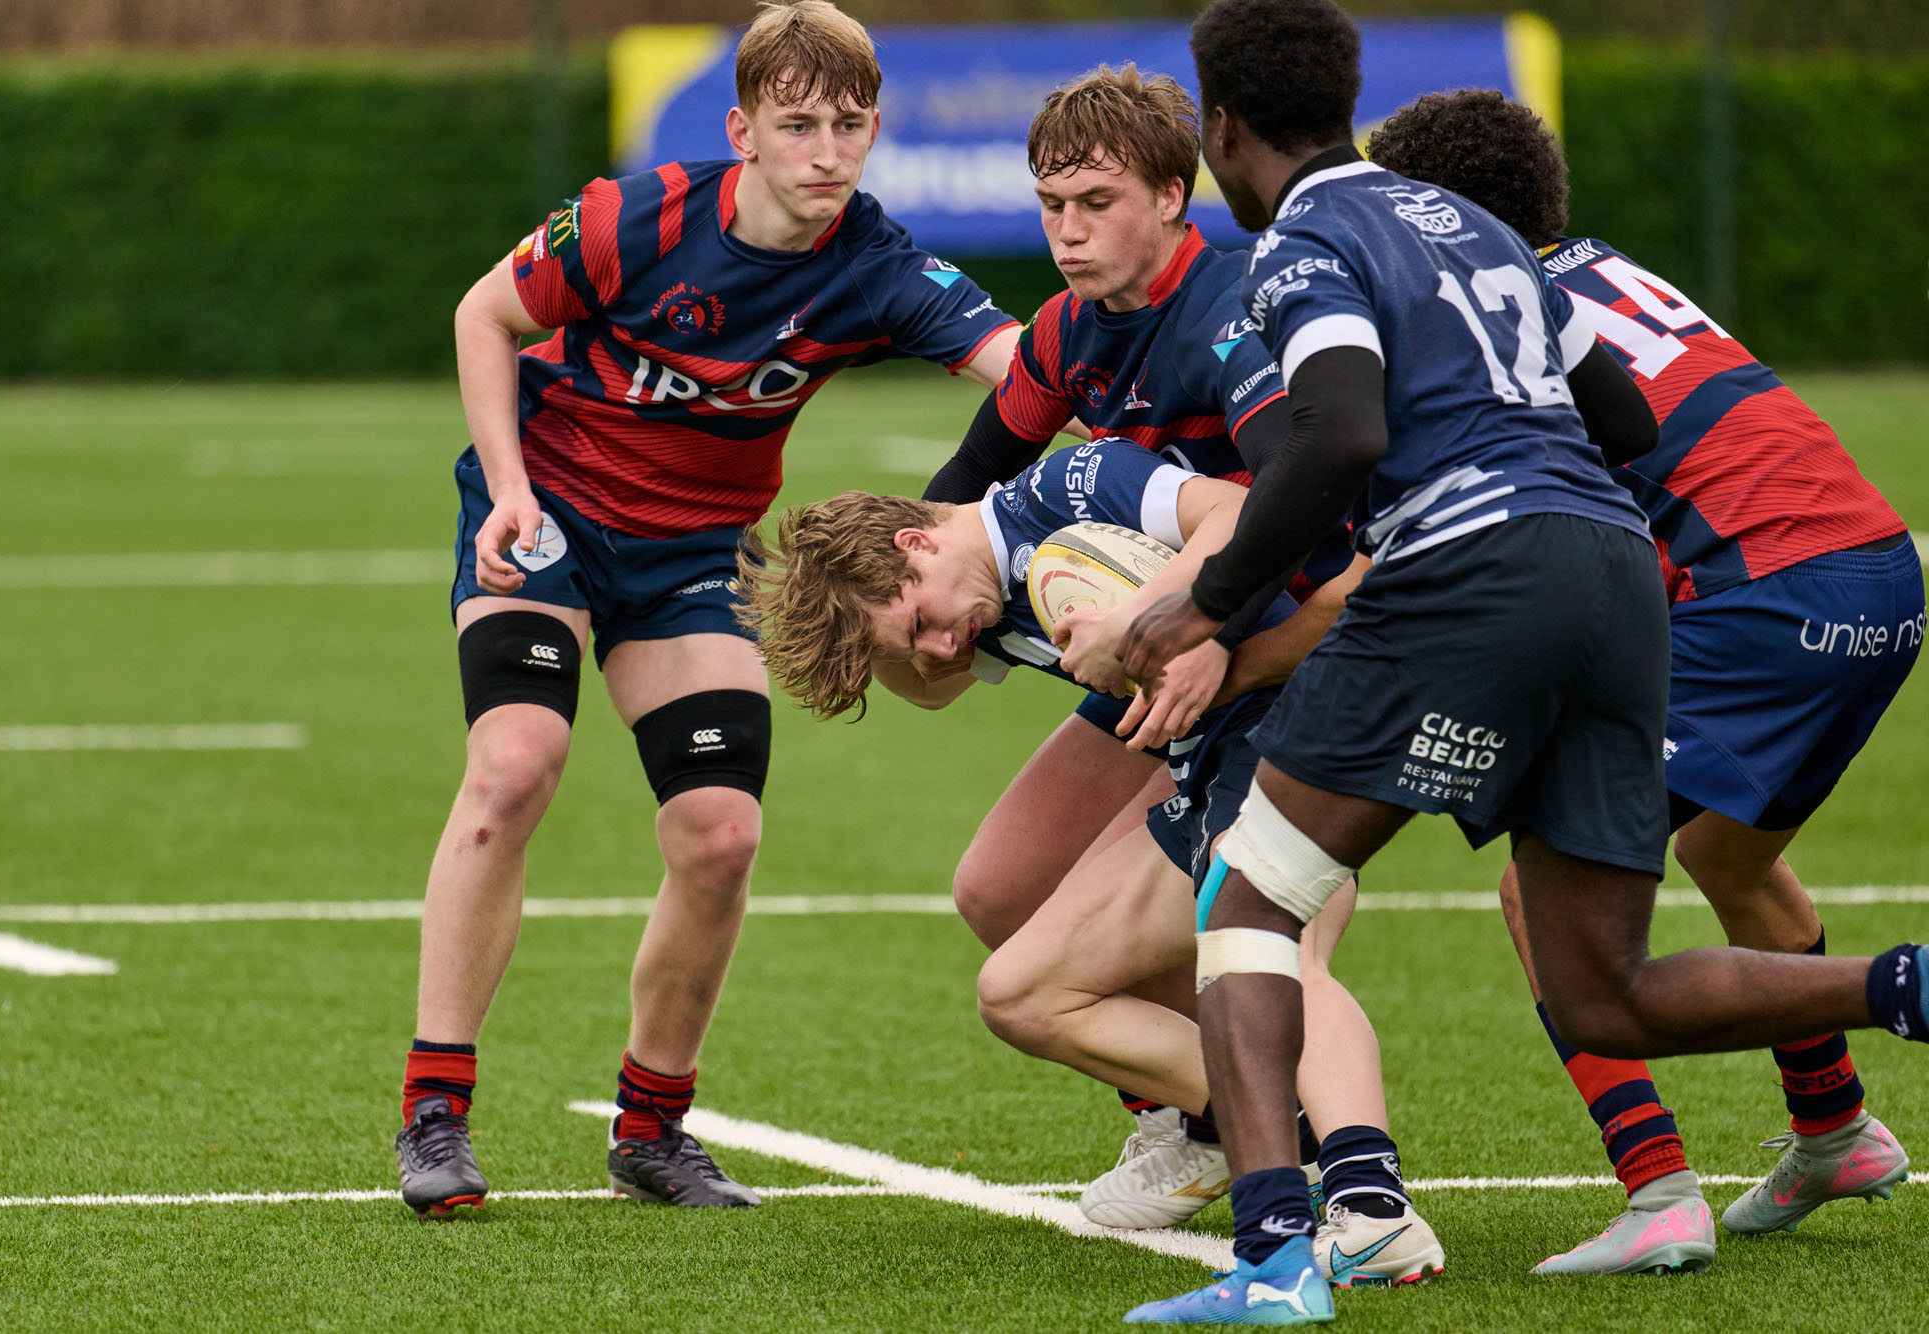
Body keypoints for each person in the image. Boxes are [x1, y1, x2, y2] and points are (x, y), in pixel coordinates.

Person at [1112, 0, 1928, 1324]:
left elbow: (1337, 433)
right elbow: (1625, 416)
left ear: (1222, 125)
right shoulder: (1484, 228)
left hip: (1482, 569)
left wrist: (1204, 603)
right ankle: (1907, 986)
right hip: (1619, 572)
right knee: (1601, 982)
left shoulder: (1302, 239)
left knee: (1249, 898)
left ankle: (1273, 1263)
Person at [391, 0, 1020, 1218]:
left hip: (690, 553)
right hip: (547, 514)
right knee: (514, 765)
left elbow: (1029, 368)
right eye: (797, 125)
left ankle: (651, 1129)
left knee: (720, 833)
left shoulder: (876, 265)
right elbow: (485, 314)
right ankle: (435, 1109)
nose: (825, 152)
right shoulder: (634, 219)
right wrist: (507, 488)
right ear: (742, 131)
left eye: (848, 125)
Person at [1365, 88, 1921, 1274]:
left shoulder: (1495, 316)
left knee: (1540, 894)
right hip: (1879, 578)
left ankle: (1656, 1190)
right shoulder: (1600, 269)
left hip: (1767, 596)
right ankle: (1833, 1128)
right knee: (1729, 855)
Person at [737, 437, 1441, 1286]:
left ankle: (1371, 1203)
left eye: (922, 624)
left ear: (917, 542)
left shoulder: (1065, 488)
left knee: (1269, 949)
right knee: (1013, 960)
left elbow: (1235, 512)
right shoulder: (977, 594)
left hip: (1298, 705)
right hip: (1206, 742)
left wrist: (1145, 616)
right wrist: (831, 623)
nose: (940, 650)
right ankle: (1247, 1124)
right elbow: (925, 687)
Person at [915, 63, 1361, 1233]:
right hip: (1174, 642)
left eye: (1096, 202)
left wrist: (1211, 631)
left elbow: (1302, 498)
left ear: (1171, 195)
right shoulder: (1064, 332)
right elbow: (963, 487)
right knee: (998, 884)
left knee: (1256, 933)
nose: (1067, 231)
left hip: (1299, 644)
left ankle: (1333, 1158)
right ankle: (1196, 1113)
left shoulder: (1230, 313)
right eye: (1050, 205)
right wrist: (900, 593)